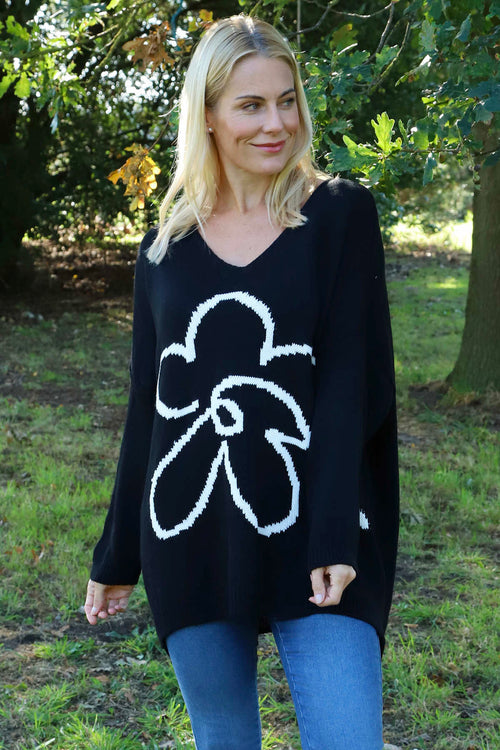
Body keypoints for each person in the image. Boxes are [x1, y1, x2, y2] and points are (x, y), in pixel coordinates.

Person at [85, 14, 399, 750]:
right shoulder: (165, 248)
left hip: (318, 530)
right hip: (190, 531)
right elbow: (150, 408)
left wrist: (335, 534)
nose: (276, 124)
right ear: (208, 115)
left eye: (287, 101)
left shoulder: (338, 215)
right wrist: (117, 554)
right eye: (251, 105)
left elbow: (351, 387)